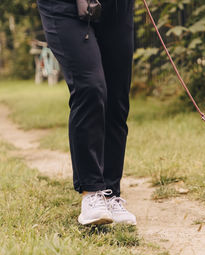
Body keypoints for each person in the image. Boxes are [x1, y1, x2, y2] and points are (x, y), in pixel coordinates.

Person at [37, 0, 136, 225]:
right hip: (64, 7)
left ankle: (111, 193)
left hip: (117, 7)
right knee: (90, 87)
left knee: (116, 98)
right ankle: (92, 193)